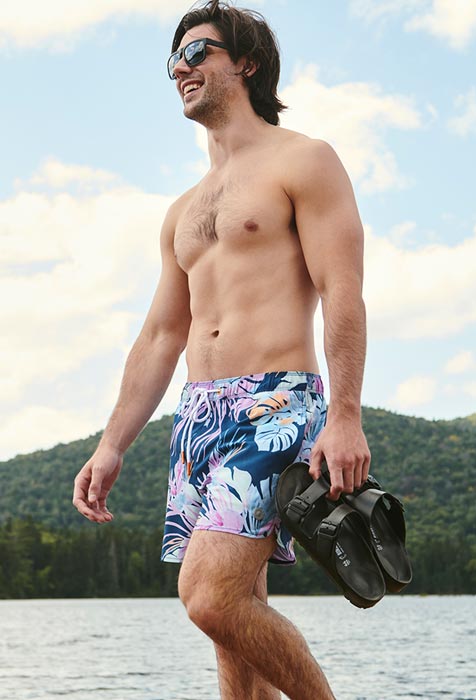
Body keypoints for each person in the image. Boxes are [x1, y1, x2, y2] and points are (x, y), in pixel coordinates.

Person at [72, 1, 371, 698]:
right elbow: (161, 335)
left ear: (248, 62)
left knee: (208, 594)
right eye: (174, 57)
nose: (182, 66)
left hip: (276, 402)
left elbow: (344, 292)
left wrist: (346, 413)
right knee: (231, 621)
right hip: (199, 418)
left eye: (199, 51)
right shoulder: (182, 210)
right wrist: (112, 443)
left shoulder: (304, 160)